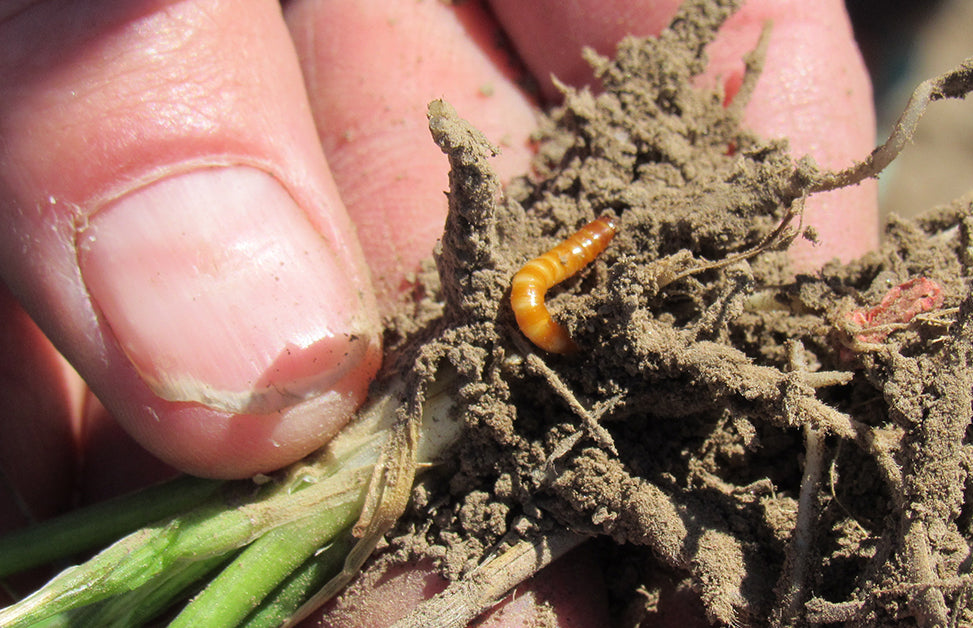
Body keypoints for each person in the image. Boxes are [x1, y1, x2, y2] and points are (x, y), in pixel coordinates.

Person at [0, 0, 875, 624]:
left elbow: (536, 300)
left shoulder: (549, 285)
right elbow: (529, 302)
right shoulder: (537, 293)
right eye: (596, 239)